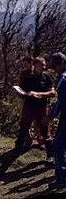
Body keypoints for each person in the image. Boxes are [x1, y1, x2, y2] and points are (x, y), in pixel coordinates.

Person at [17, 56, 56, 151]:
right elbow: (22, 91)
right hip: (29, 107)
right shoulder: (28, 78)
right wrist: (21, 93)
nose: (44, 67)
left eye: (44, 65)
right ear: (35, 65)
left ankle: (50, 154)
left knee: (45, 131)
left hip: (41, 108)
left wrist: (39, 94)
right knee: (23, 129)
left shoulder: (46, 78)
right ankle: (17, 149)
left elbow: (53, 93)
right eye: (41, 65)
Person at [47, 52, 66, 190]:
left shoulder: (63, 80)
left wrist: (50, 116)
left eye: (56, 66)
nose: (54, 69)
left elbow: (61, 102)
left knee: (59, 146)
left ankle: (62, 178)